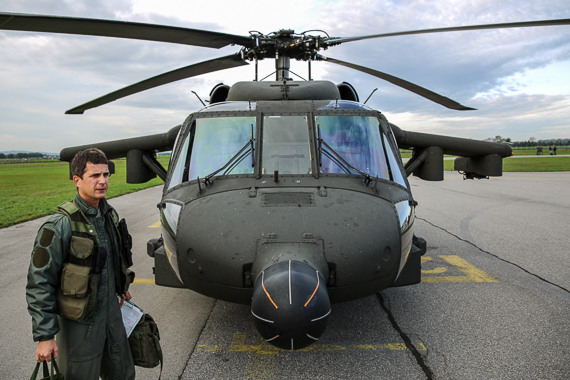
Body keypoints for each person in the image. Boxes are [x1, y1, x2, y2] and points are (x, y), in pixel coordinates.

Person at [26, 148, 136, 379]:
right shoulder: (59, 225)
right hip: (81, 322)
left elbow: (115, 258)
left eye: (105, 175)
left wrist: (121, 286)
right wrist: (45, 336)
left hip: (112, 316)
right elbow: (40, 282)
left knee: (122, 372)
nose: (102, 181)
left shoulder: (109, 215)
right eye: (94, 176)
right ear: (77, 180)